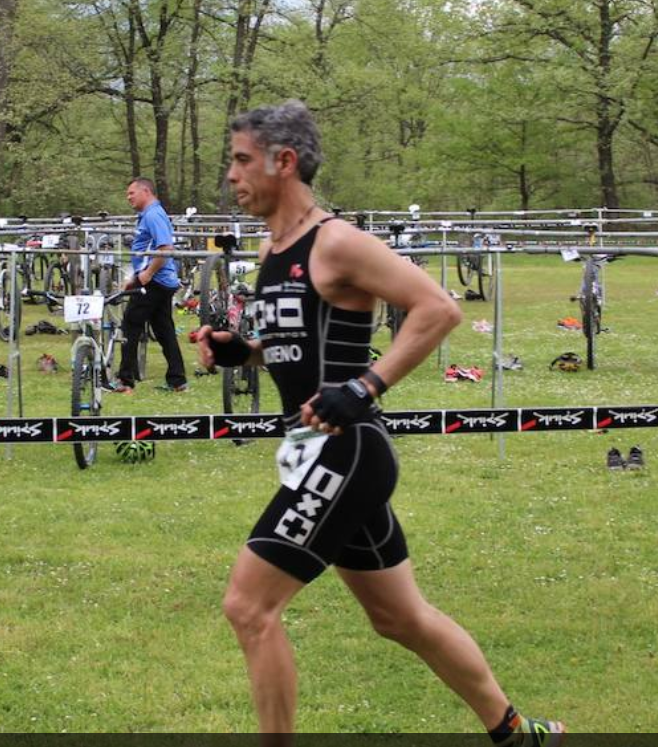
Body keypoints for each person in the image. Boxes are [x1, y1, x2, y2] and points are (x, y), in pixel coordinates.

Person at [194, 100, 564, 743]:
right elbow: (297, 346)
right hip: (318, 454)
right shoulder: (272, 247)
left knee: (248, 607)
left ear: (284, 162)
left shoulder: (335, 241)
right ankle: (517, 733)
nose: (231, 175)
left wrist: (366, 387)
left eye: (242, 160)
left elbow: (438, 308)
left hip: (347, 450)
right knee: (400, 619)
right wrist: (242, 351)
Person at [107, 177, 188, 393]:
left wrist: (147, 274)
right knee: (164, 330)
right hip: (157, 280)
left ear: (146, 191)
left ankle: (125, 380)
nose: (128, 197)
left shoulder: (153, 215)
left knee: (131, 325)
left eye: (131, 193)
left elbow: (165, 249)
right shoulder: (149, 215)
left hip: (155, 281)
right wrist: (135, 277)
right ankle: (178, 380)